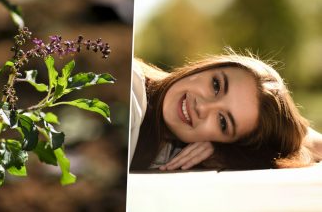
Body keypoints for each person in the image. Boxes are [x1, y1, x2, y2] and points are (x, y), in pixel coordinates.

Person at [129, 52, 322, 171]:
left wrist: (224, 153)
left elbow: (310, 142)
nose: (202, 107)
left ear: (229, 143)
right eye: (216, 85)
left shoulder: (177, 149)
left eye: (222, 122)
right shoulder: (132, 90)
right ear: (205, 68)